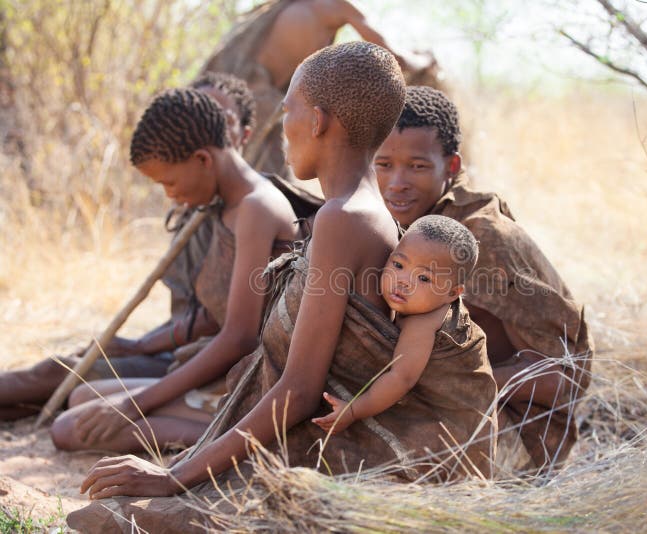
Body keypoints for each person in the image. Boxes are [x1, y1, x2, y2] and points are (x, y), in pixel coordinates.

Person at [69, 45, 500, 531]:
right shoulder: (348, 212)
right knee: (104, 506)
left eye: (287, 109)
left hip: (337, 453)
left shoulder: (344, 219)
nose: (283, 125)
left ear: (317, 120)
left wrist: (174, 475)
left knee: (104, 519)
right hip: (304, 437)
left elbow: (298, 391)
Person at [49, 87, 302, 452]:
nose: (170, 195)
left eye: (169, 182)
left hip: (253, 383)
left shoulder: (255, 208)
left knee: (70, 428)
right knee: (82, 398)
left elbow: (239, 339)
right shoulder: (228, 205)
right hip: (224, 374)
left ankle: (245, 441)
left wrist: (134, 403)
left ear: (202, 159)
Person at [0, 73, 263, 422]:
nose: (207, 125)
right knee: (62, 378)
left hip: (202, 365)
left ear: (243, 135)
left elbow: (225, 325)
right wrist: (138, 344)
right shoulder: (195, 205)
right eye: (200, 113)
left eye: (221, 119)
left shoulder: (250, 211)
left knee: (65, 382)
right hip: (175, 352)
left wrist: (141, 349)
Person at [373, 86, 594, 470]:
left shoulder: (484, 238)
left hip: (516, 433)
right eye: (384, 164)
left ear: (453, 167)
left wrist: (456, 381)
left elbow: (565, 379)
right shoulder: (391, 225)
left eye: (418, 166)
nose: (397, 182)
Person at [203, 0, 437, 176]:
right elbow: (390, 54)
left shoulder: (297, 6)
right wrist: (425, 60)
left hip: (243, 93)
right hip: (255, 93)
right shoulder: (335, 5)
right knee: (272, 175)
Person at [312, 214, 479, 434]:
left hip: (458, 424)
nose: (403, 281)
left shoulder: (423, 324)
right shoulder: (420, 303)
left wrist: (354, 411)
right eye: (399, 265)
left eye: (424, 279)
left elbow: (401, 378)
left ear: (452, 293)